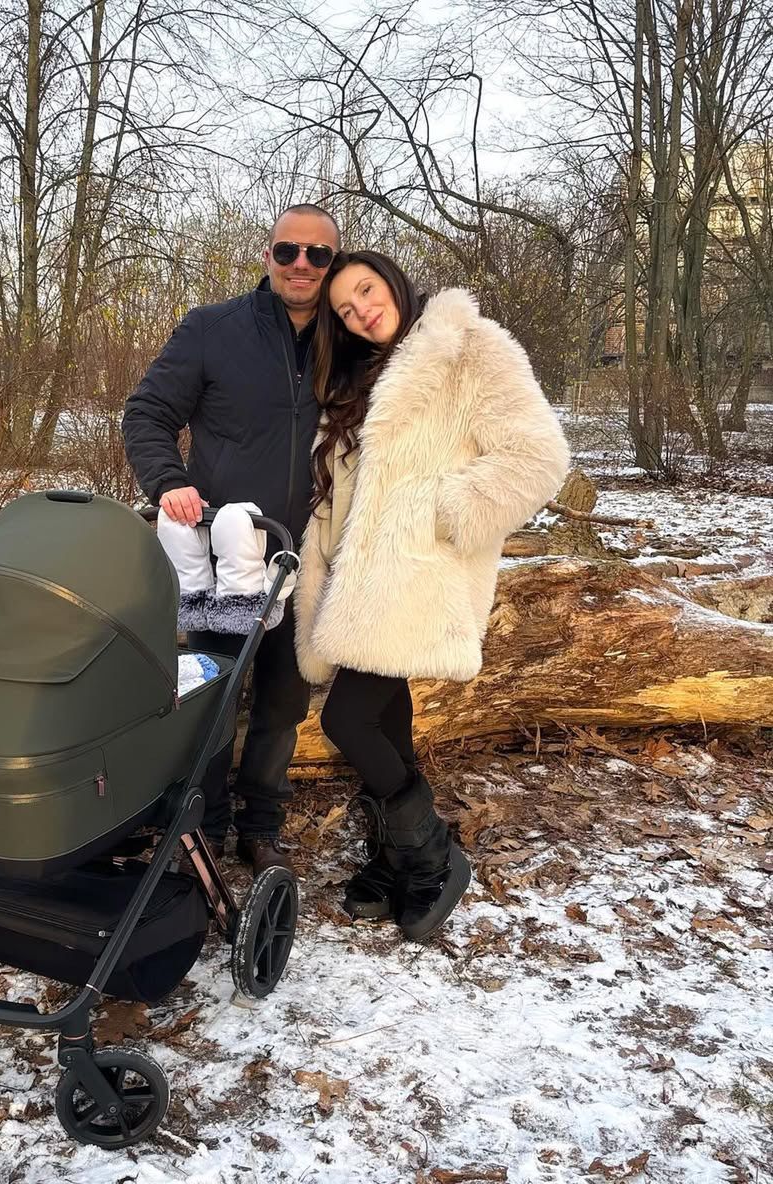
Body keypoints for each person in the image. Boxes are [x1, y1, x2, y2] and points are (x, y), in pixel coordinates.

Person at [294, 250, 570, 940]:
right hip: (362, 577)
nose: (361, 309)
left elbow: (538, 457)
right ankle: (392, 863)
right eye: (346, 311)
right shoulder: (363, 376)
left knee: (346, 722)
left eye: (365, 290)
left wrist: (448, 509)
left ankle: (432, 857)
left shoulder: (470, 346)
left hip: (420, 568)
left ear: (391, 277)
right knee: (384, 721)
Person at [121, 204, 342, 874]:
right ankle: (202, 828)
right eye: (287, 251)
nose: (301, 264)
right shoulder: (212, 329)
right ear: (267, 254)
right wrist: (168, 482)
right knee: (213, 697)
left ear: (334, 264)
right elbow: (148, 412)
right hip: (226, 559)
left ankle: (261, 827)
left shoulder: (350, 342)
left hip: (311, 556)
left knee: (282, 702)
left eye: (318, 255)